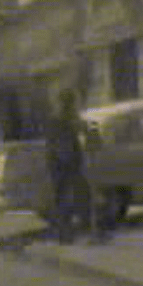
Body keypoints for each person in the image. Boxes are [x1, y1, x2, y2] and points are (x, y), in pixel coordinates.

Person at [45, 88, 89, 244]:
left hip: (59, 164)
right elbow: (64, 143)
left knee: (63, 199)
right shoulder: (63, 119)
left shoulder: (58, 119)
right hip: (65, 164)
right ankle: (65, 234)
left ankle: (64, 233)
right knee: (66, 199)